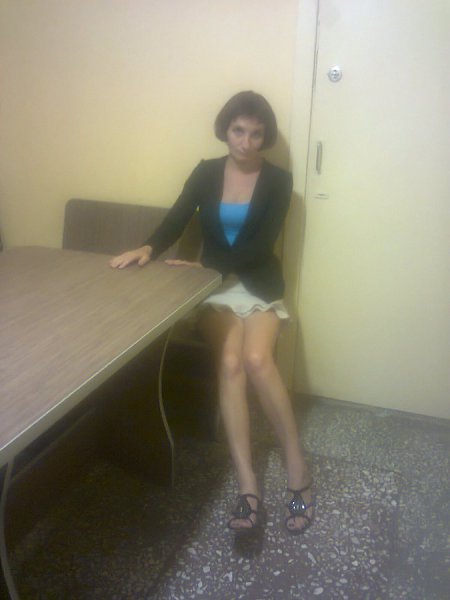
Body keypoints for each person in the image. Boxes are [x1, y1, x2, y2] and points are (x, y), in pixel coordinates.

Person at [110, 91, 314, 535]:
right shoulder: (206, 172)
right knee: (230, 361)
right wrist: (148, 248)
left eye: (256, 133)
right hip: (215, 289)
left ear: (265, 137)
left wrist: (208, 267)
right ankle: (247, 483)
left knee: (258, 360)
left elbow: (260, 246)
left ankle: (297, 467)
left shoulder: (279, 181)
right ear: (225, 129)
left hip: (257, 285)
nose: (246, 142)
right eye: (239, 130)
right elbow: (177, 217)